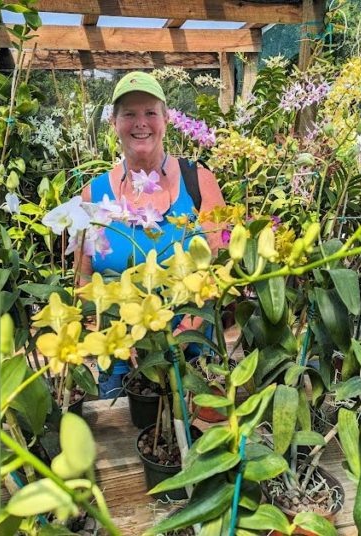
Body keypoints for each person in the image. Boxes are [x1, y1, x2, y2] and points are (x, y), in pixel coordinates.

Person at [78, 72, 227, 397]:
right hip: (120, 361)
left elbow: (218, 269)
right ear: (114, 122)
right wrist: (108, 337)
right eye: (129, 113)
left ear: (165, 119)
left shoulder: (199, 183)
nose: (140, 123)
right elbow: (83, 279)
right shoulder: (92, 195)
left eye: (150, 112)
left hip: (189, 355)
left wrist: (188, 330)